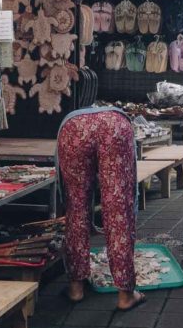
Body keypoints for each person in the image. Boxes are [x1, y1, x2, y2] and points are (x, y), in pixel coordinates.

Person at [56, 104, 147, 311]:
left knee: (76, 206)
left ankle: (75, 287)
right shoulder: (117, 117)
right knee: (118, 208)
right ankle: (126, 294)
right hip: (115, 128)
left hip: (73, 129)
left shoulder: (73, 118)